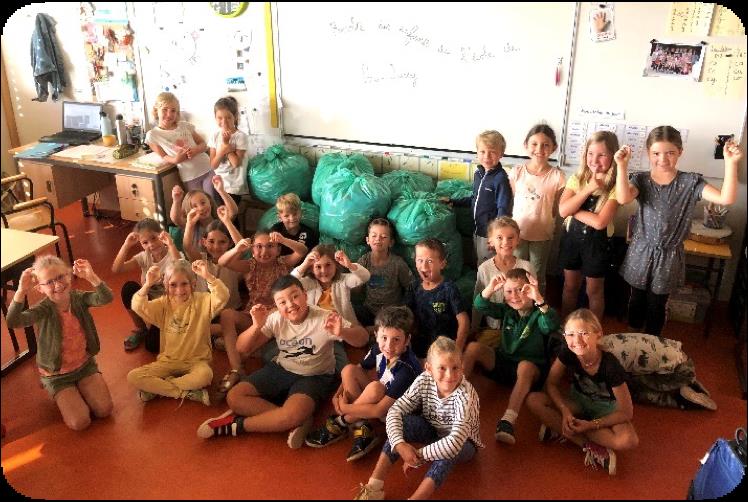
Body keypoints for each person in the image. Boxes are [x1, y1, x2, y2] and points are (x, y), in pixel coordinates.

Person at [196, 275, 369, 448]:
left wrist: (342, 332)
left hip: (315, 376)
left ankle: (235, 426)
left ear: (305, 295)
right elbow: (242, 348)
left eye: (295, 296)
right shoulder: (275, 318)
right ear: (276, 306)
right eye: (282, 302)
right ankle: (297, 420)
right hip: (281, 368)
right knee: (235, 397)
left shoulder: (324, 317)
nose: (290, 304)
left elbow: (363, 338)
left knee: (291, 414)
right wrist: (256, 326)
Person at [615, 126, 742, 335]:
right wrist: (621, 166)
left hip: (669, 255)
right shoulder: (641, 180)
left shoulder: (690, 182)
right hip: (641, 250)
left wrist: (731, 163)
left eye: (670, 153)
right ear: (648, 153)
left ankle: (652, 343)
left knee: (657, 303)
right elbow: (622, 198)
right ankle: (632, 339)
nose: (662, 159)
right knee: (636, 298)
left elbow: (725, 198)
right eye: (656, 153)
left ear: (680, 152)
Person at [353, 336, 483, 500]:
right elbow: (395, 411)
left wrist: (418, 455)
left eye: (455, 367)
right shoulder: (423, 380)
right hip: (434, 430)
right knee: (404, 422)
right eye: (442, 368)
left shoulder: (466, 395)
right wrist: (400, 445)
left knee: (448, 452)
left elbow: (455, 442)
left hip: (464, 443)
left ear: (462, 366)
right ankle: (374, 486)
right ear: (429, 368)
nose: (449, 375)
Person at [526, 309, 639, 476]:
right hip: (578, 403)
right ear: (565, 337)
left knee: (628, 440)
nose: (577, 340)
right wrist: (564, 410)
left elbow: (626, 412)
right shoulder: (567, 352)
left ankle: (560, 426)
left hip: (606, 410)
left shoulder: (610, 366)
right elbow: (551, 384)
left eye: (584, 333)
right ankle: (587, 444)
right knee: (534, 400)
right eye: (570, 334)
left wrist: (591, 425)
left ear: (598, 334)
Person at [7, 257, 113, 431]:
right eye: (49, 282)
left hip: (84, 365)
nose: (57, 285)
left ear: (69, 276)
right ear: (40, 288)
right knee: (80, 422)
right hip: (57, 374)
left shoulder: (78, 298)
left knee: (104, 410)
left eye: (60, 277)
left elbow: (106, 298)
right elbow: (13, 320)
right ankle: (53, 387)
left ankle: (79, 388)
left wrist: (92, 277)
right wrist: (20, 291)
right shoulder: (43, 309)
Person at [305, 305, 422, 462]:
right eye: (384, 338)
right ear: (376, 335)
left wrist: (344, 409)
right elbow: (357, 370)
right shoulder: (378, 349)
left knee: (375, 388)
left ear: (407, 340)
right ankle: (362, 425)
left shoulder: (406, 369)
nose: (388, 346)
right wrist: (338, 395)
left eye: (396, 340)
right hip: (381, 401)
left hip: (398, 414)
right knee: (348, 370)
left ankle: (340, 423)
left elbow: (379, 411)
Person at [465, 268, 560, 445]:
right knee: (473, 347)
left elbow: (551, 324)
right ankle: (450, 395)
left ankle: (508, 420)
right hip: (505, 365)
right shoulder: (507, 311)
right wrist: (491, 288)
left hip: (531, 374)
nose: (514, 296)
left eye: (520, 290)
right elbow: (480, 305)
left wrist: (539, 298)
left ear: (530, 290)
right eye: (508, 291)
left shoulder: (539, 313)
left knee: (525, 366)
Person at [126, 259, 229, 405]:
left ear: (193, 284)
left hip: (197, 361)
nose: (179, 290)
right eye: (173, 285)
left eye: (184, 284)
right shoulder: (162, 304)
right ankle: (185, 393)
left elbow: (223, 296)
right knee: (133, 376)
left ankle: (158, 389)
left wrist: (208, 277)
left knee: (205, 376)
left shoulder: (203, 301)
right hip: (168, 361)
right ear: (165, 285)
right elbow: (138, 306)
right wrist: (147, 284)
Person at [558, 130, 620, 322]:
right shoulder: (577, 178)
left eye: (602, 155)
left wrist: (573, 210)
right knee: (570, 286)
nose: (595, 160)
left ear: (613, 157)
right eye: (591, 153)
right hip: (572, 241)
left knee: (594, 290)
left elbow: (600, 222)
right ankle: (566, 328)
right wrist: (589, 188)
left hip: (597, 245)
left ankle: (595, 331)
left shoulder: (616, 186)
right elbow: (562, 211)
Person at [508, 124, 565, 295]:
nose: (539, 149)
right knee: (516, 272)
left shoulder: (558, 176)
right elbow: (513, 200)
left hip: (542, 234)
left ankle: (537, 305)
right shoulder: (517, 172)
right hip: (517, 233)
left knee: (537, 274)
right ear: (526, 145)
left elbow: (557, 207)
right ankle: (516, 303)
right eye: (534, 144)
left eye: (546, 145)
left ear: (554, 148)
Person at [112, 219, 182, 352]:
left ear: (162, 235)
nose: (151, 245)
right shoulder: (144, 257)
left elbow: (181, 267)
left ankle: (167, 330)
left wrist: (171, 244)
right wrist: (126, 245)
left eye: (154, 238)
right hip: (149, 303)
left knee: (152, 346)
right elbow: (117, 269)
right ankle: (141, 329)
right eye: (145, 242)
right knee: (129, 288)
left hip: (168, 307)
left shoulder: (172, 254)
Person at [600, 332, 716, 411]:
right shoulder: (606, 339)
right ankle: (690, 384)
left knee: (633, 392)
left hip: (678, 372)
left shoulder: (608, 359)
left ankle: (680, 397)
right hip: (683, 362)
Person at [447, 130, 512, 264]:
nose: (487, 156)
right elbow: (474, 199)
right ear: (477, 152)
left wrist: (497, 236)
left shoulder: (501, 178)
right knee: (479, 261)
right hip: (477, 229)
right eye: (482, 151)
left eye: (492, 152)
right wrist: (453, 201)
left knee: (488, 265)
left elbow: (503, 209)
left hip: (489, 234)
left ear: (501, 154)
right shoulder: (478, 174)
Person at [404, 238, 470, 358]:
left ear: (442, 264)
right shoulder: (413, 287)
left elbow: (463, 321)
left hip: (444, 348)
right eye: (420, 260)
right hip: (419, 346)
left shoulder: (449, 288)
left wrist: (457, 349)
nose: (424, 266)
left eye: (430, 261)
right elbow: (405, 316)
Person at [472, 216, 534, 337]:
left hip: (521, 327)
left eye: (511, 237)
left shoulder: (527, 267)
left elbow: (534, 299)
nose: (506, 242)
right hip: (493, 328)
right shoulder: (484, 268)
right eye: (499, 237)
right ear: (490, 241)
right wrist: (474, 327)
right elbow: (477, 300)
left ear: (518, 240)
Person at [145, 91, 216, 197]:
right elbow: (163, 156)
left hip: (207, 168)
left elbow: (203, 144)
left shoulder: (185, 126)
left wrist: (195, 150)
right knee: (196, 204)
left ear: (177, 113)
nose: (169, 114)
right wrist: (176, 160)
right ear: (156, 110)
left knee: (213, 201)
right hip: (189, 176)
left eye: (173, 110)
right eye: (164, 109)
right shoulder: (153, 135)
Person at [354, 218, 413, 328]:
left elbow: (410, 287)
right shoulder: (364, 261)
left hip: (392, 314)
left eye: (384, 237)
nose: (378, 239)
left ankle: (375, 330)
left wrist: (404, 307)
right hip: (369, 311)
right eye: (374, 236)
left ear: (391, 242)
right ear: (367, 240)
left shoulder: (398, 263)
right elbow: (356, 289)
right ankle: (373, 330)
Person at [170, 176, 239, 252]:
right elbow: (176, 219)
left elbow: (233, 211)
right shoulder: (191, 226)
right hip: (200, 258)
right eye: (194, 206)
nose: (201, 208)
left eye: (203, 203)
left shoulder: (220, 220)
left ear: (210, 201)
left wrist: (221, 190)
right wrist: (176, 201)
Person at [208, 96, 249, 207]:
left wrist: (226, 145)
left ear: (235, 117)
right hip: (219, 183)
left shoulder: (241, 137)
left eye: (228, 117)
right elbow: (213, 165)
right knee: (222, 211)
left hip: (234, 186)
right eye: (219, 118)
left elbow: (236, 163)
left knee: (231, 213)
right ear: (215, 118)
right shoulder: (214, 136)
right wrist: (222, 151)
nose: (224, 121)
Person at [270, 193, 319, 257]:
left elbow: (305, 251)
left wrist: (283, 240)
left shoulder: (307, 232)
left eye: (295, 214)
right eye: (286, 216)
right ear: (280, 217)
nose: (292, 218)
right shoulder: (276, 229)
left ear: (301, 213)